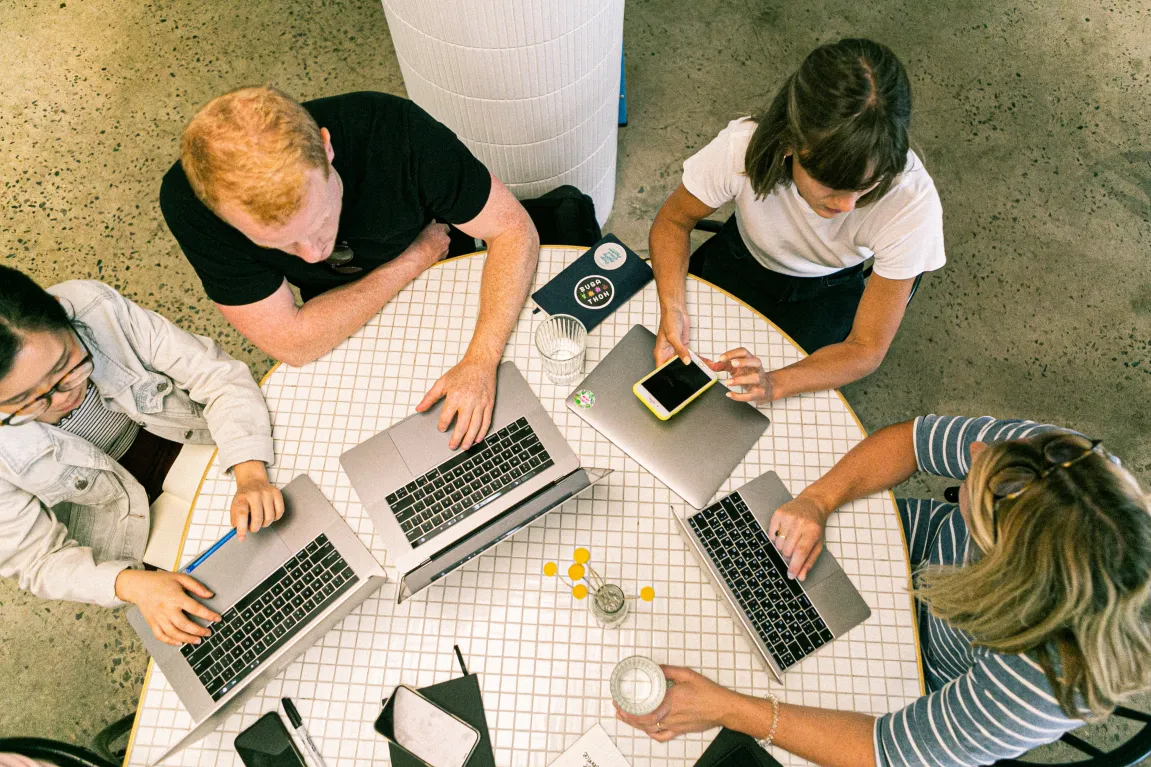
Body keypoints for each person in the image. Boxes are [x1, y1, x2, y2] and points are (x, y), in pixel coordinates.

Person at [617, 414, 1151, 767]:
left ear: (997, 573)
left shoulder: (1041, 686)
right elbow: (913, 440)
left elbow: (887, 752)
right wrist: (819, 500)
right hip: (901, 551)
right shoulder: (1063, 468)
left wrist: (729, 709)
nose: (976, 447)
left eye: (981, 480)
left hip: (915, 681)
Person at [160, 86, 540, 450]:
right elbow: (292, 343)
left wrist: (479, 361)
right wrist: (414, 259)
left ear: (327, 150)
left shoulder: (393, 130)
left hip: (456, 276)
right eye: (281, 243)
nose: (312, 255)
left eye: (321, 220)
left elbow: (512, 229)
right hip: (361, 301)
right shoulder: (190, 202)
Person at [0, 266, 284, 648]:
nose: (62, 399)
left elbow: (217, 377)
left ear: (60, 311)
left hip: (186, 439)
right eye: (24, 402)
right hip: (117, 528)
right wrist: (131, 584)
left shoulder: (93, 306)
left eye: (65, 368)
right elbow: (35, 559)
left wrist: (250, 472)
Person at [649, 39, 945, 405]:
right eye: (830, 184)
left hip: (826, 292)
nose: (848, 205)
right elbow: (673, 222)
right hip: (737, 259)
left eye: (868, 184)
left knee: (764, 410)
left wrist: (775, 383)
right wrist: (673, 307)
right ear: (788, 143)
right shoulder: (741, 147)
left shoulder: (911, 202)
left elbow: (866, 348)